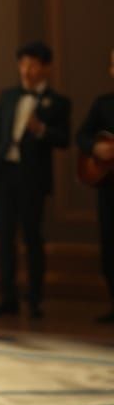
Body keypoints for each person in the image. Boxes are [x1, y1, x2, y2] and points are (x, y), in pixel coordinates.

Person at [0, 41, 70, 319]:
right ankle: (7, 296)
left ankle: (34, 299)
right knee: (4, 237)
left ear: (46, 68)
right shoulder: (8, 96)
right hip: (4, 172)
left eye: (32, 64)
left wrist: (41, 129)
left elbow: (64, 139)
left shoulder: (58, 102)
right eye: (22, 64)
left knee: (32, 237)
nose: (26, 70)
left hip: (32, 178)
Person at [76, 47, 114, 322]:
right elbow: (82, 135)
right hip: (108, 187)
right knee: (109, 247)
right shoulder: (103, 104)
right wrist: (96, 148)